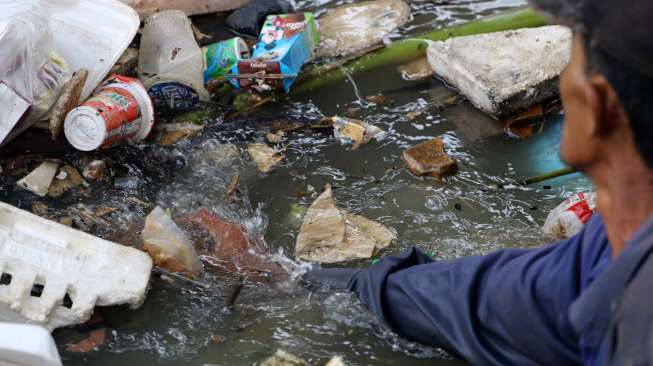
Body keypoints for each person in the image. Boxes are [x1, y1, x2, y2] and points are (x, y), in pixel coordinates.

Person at [303, 0, 653, 365]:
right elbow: (485, 298)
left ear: (596, 104)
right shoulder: (607, 240)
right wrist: (297, 277)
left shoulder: (639, 327)